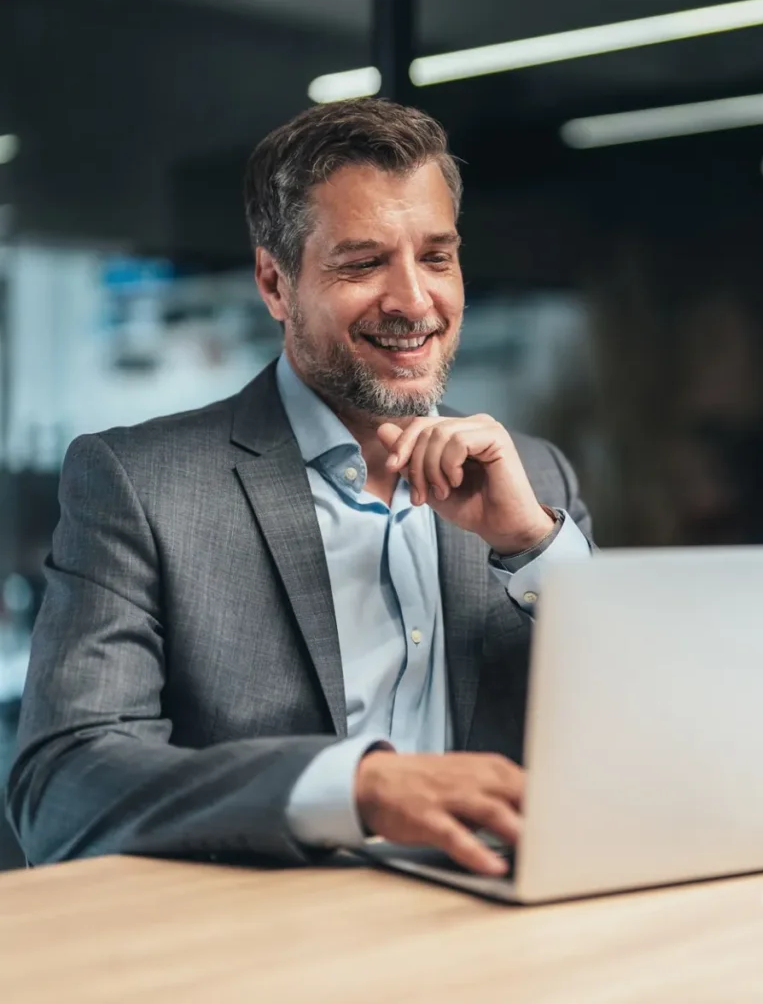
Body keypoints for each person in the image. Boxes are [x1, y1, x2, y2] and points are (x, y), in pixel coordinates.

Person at [5, 98, 593, 876]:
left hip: (495, 920)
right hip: (268, 933)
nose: (414, 300)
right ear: (275, 283)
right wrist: (356, 788)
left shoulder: (534, 479)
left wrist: (534, 547)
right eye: (363, 263)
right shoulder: (141, 486)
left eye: (436, 257)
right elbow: (61, 787)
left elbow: (636, 741)